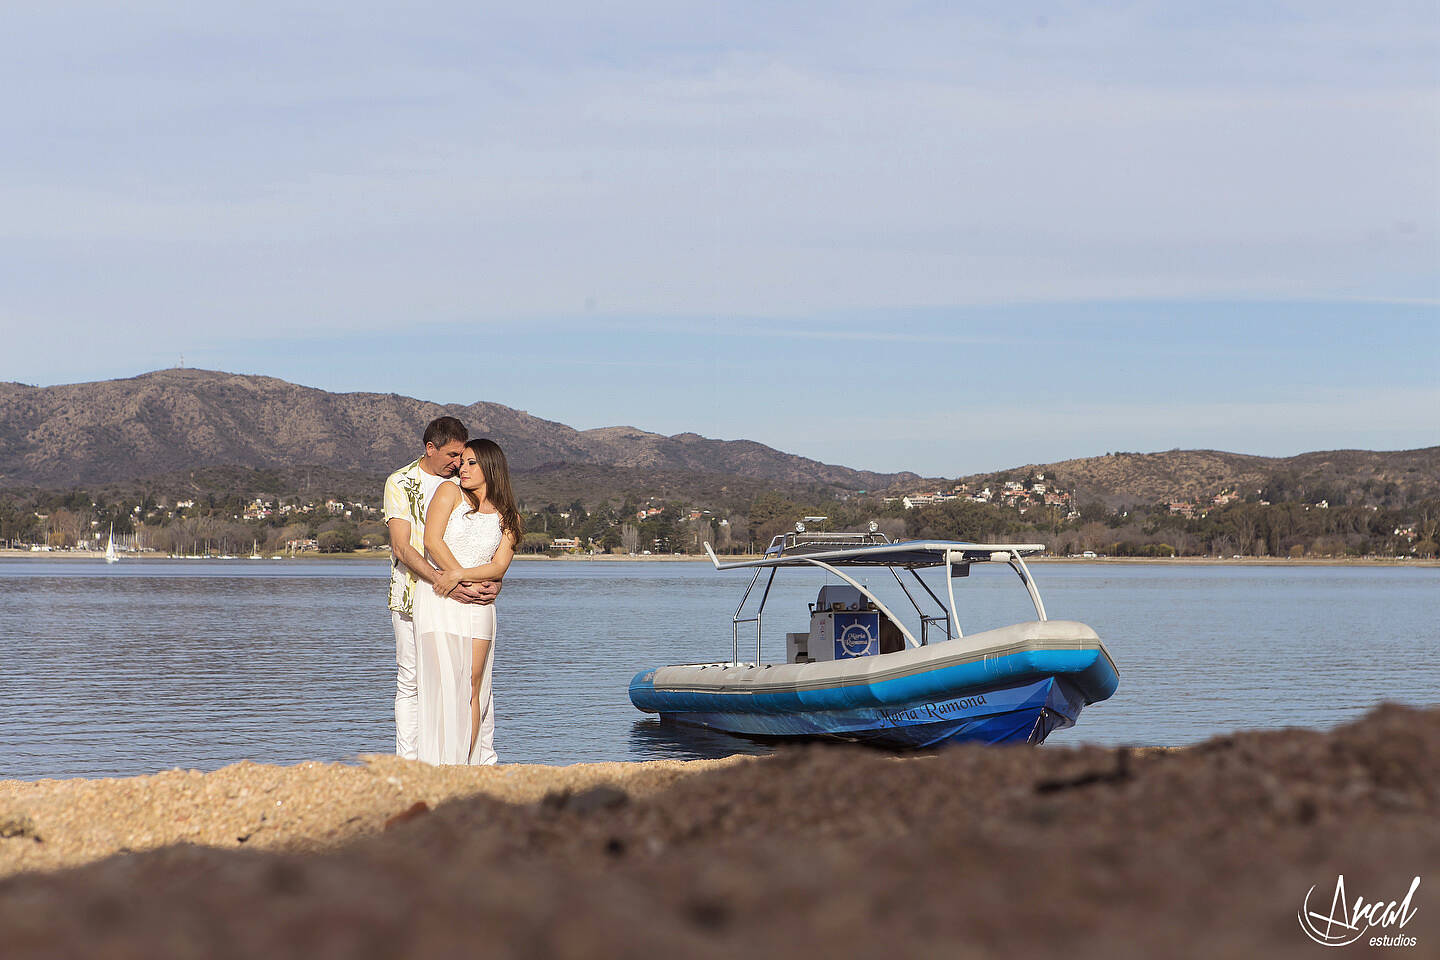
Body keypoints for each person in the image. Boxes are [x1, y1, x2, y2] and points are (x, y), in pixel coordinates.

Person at [383, 417, 501, 760]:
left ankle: (479, 757)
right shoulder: (401, 482)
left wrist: (486, 581)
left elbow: (484, 538)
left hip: (462, 596)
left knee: (473, 681)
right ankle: (410, 762)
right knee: (413, 681)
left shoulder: (463, 484)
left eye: (462, 456)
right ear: (429, 448)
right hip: (413, 593)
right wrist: (448, 583)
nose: (457, 463)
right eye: (451, 455)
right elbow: (403, 548)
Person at [413, 438, 524, 765]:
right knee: (441, 684)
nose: (463, 467)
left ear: (491, 467)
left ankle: (464, 762)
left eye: (472, 462)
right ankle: (436, 764)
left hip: (479, 605)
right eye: (462, 461)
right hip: (440, 600)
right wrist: (456, 578)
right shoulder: (448, 493)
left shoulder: (510, 517)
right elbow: (431, 541)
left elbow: (499, 566)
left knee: (472, 687)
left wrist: (459, 576)